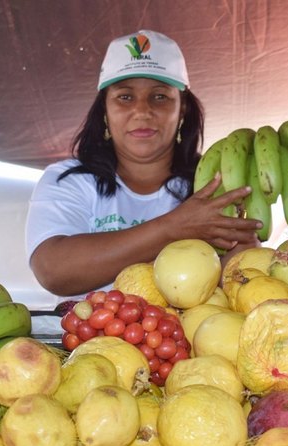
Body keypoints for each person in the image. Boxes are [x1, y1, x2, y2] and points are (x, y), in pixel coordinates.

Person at [25, 29, 261, 299]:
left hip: (184, 338)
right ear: (105, 109)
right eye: (125, 97)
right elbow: (53, 270)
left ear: (182, 108)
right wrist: (174, 227)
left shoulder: (214, 186)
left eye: (159, 96)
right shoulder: (68, 180)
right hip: (88, 341)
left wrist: (243, 245)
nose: (142, 111)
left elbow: (234, 286)